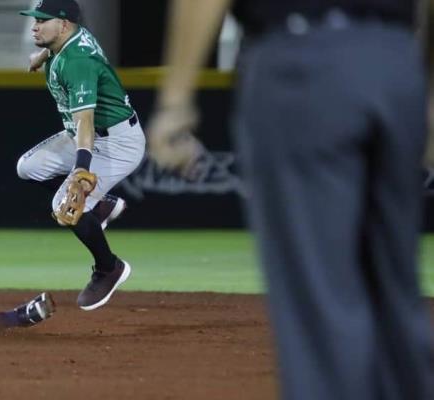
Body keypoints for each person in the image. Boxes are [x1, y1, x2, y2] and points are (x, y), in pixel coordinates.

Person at [149, 0, 434, 398]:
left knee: (319, 304)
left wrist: (175, 101)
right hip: (395, 61)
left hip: (302, 64)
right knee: (396, 298)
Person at [17, 0, 145, 311]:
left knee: (65, 206)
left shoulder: (78, 61)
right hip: (83, 135)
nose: (34, 25)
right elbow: (67, 41)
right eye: (34, 19)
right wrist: (43, 54)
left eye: (42, 20)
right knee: (28, 167)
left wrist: (81, 170)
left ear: (62, 25)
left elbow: (85, 119)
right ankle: (100, 206)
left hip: (115, 143)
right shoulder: (67, 38)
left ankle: (109, 268)